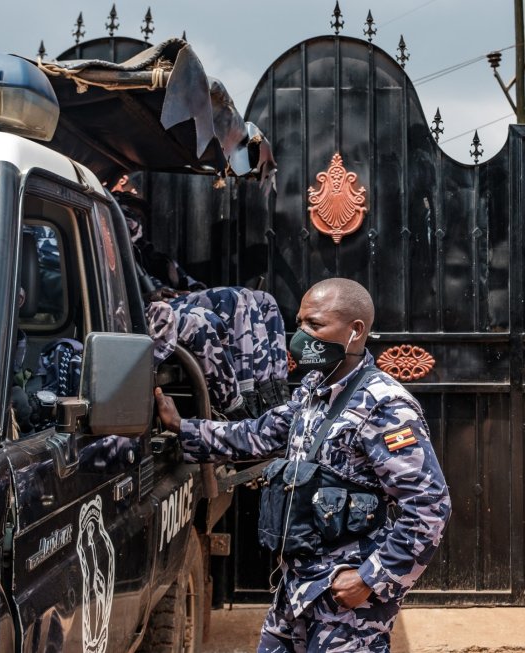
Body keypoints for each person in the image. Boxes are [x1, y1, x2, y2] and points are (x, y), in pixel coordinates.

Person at [154, 278, 451, 652]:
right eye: (300, 323)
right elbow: (257, 434)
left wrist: (370, 579)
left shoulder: (385, 406)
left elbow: (429, 507)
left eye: (315, 324)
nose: (301, 335)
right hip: (296, 587)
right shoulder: (313, 391)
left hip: (346, 603)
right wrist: (182, 428)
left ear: (355, 331)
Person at [115, 191, 290, 418]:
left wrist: (186, 290)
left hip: (175, 303)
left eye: (139, 218)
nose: (135, 222)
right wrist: (150, 295)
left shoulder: (152, 257)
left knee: (263, 300)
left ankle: (276, 397)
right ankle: (247, 407)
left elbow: (194, 285)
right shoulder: (112, 248)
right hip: (148, 311)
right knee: (232, 298)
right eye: (129, 215)